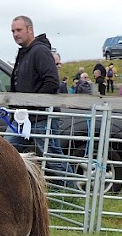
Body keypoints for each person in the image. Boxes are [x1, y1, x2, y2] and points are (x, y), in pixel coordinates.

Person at [8, 15, 73, 184]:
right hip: (24, 117)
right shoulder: (25, 53)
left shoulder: (39, 51)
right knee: (7, 151)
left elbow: (52, 81)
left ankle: (73, 192)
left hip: (41, 116)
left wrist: (32, 104)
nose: (15, 34)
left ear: (30, 29)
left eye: (19, 30)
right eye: (13, 31)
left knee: (52, 158)